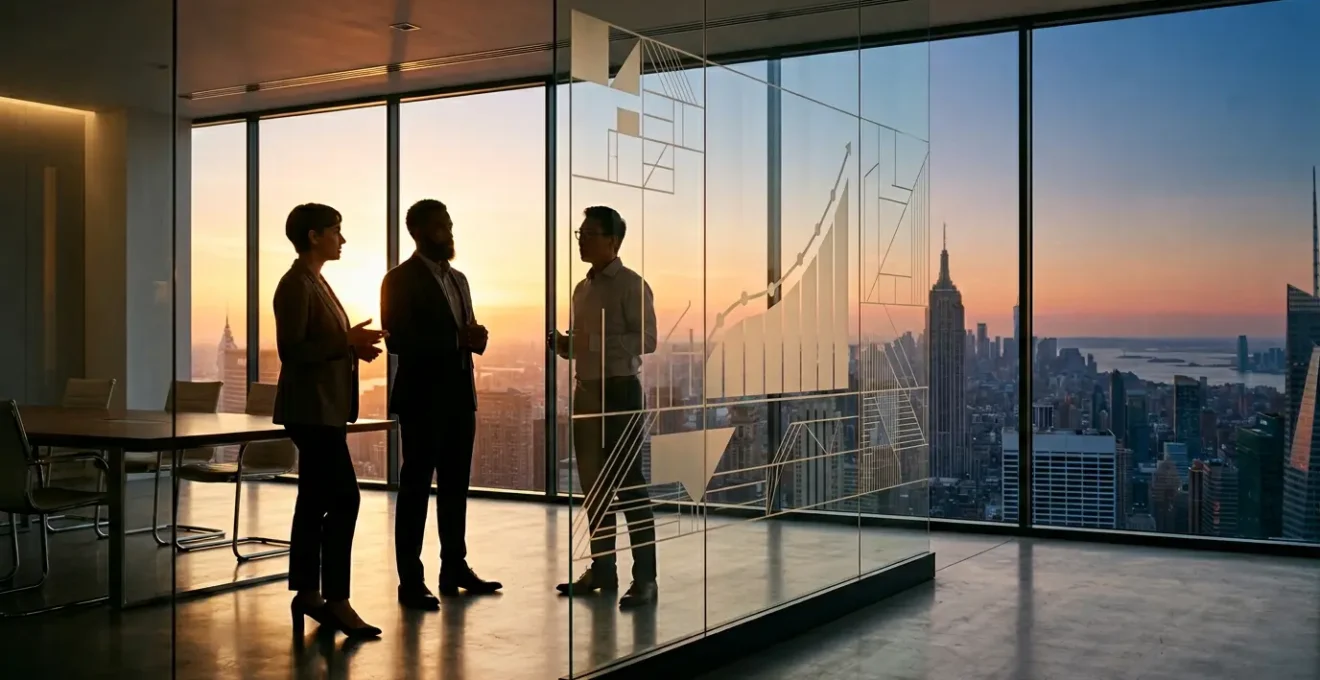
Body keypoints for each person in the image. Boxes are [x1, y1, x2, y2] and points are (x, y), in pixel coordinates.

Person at [272, 203, 385, 638]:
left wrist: (351, 345)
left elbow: (320, 343)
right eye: (336, 231)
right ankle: (336, 600)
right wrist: (345, 340)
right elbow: (292, 350)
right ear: (314, 236)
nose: (343, 239)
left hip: (323, 408)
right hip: (312, 411)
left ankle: (308, 594)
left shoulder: (315, 281)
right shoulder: (295, 284)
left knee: (314, 500)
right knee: (344, 500)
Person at [383, 199, 502, 611]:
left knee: (455, 486)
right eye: (439, 227)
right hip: (422, 399)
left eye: (449, 224)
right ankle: (410, 581)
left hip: (459, 397)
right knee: (415, 489)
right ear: (418, 232)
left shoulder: (459, 279)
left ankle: (454, 567)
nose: (448, 232)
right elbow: (398, 339)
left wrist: (476, 337)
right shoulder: (399, 280)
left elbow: (462, 331)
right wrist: (456, 340)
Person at [551, 205, 658, 608]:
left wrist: (593, 343)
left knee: (629, 485)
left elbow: (647, 339)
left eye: (590, 234)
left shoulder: (632, 285)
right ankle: (603, 569)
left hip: (619, 392)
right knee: (594, 486)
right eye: (580, 233)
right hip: (587, 392)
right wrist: (566, 346)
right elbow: (584, 347)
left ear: (613, 241)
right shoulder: (582, 288)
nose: (582, 240)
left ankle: (645, 578)